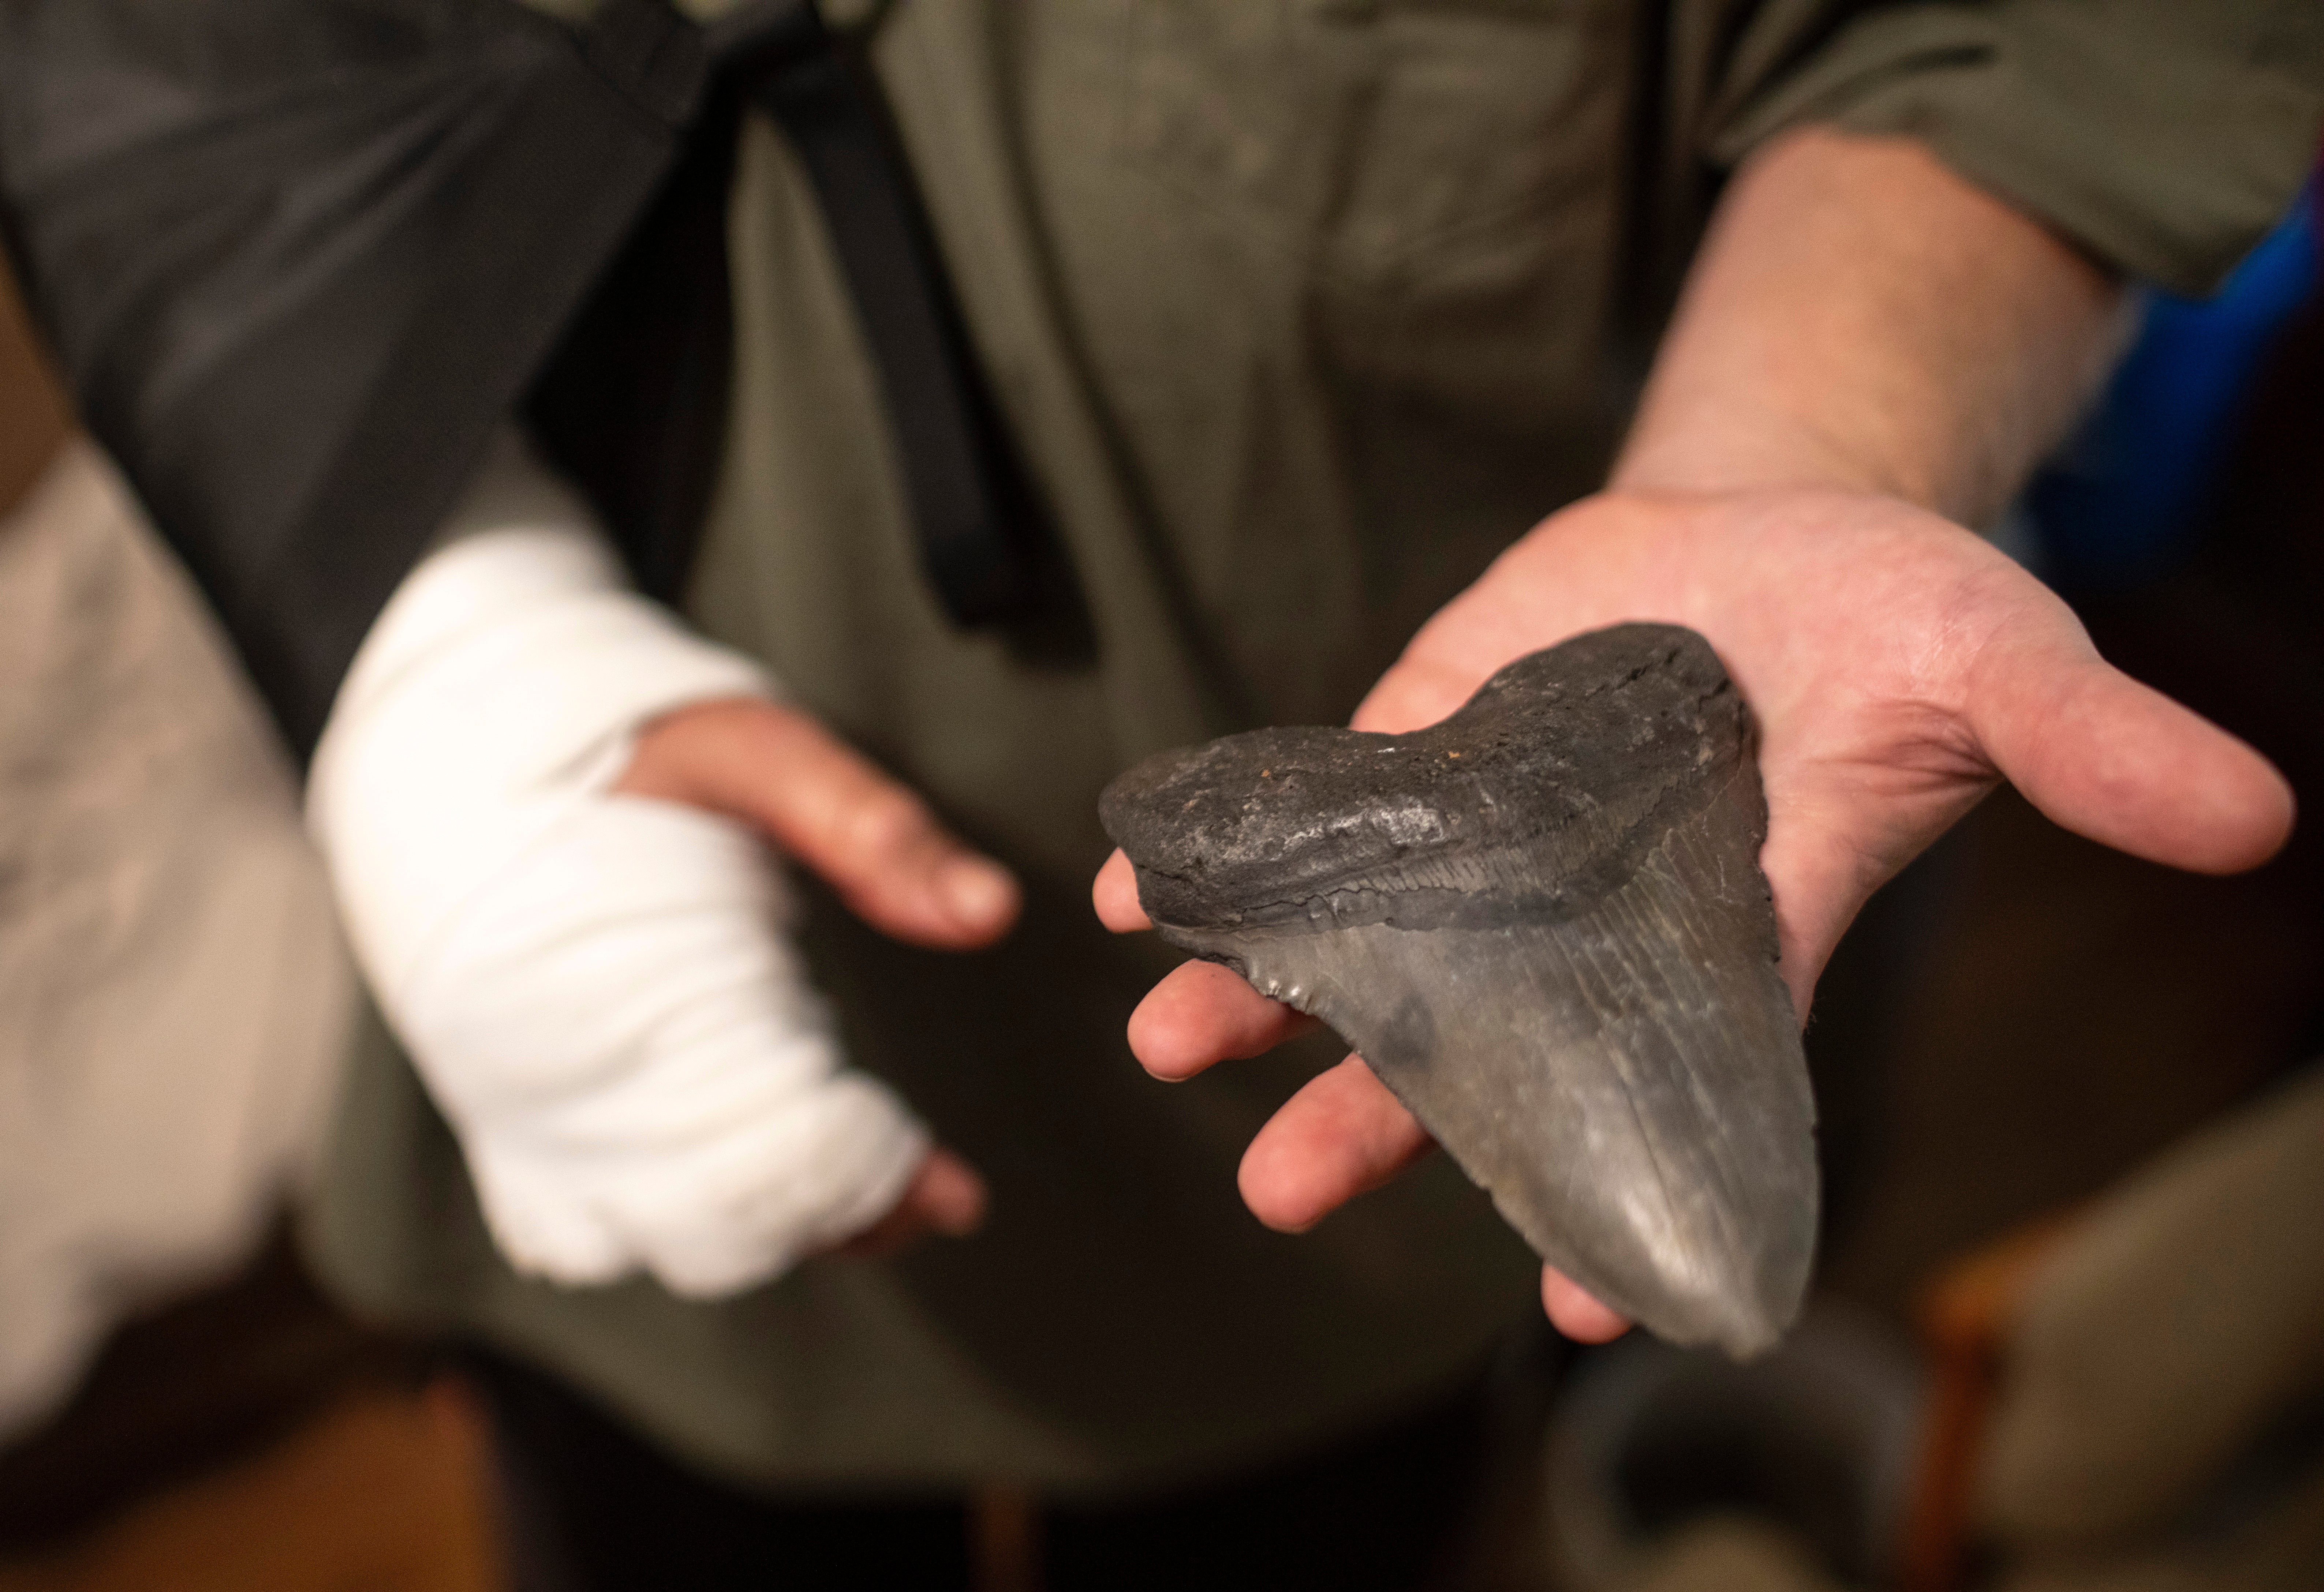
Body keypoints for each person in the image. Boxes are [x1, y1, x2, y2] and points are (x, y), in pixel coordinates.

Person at [22, 1, 2320, 1585]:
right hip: (593, 970)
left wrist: (1806, 442)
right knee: (679, 1500)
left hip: (1341, 1224)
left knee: (1320, 1516)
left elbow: (2035, 36)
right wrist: (455, 647)